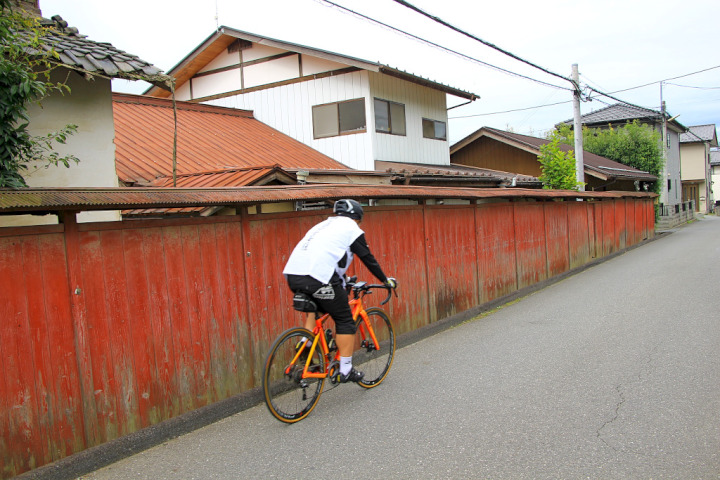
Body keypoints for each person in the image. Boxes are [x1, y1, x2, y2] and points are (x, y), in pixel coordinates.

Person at [283, 199, 396, 383]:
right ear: (357, 218)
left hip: (293, 274)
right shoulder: (351, 229)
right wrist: (385, 280)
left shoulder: (324, 226)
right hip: (318, 276)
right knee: (344, 319)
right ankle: (346, 369)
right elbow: (367, 258)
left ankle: (306, 341)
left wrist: (343, 281)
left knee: (318, 309)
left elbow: (329, 258)